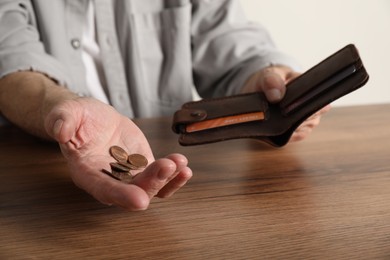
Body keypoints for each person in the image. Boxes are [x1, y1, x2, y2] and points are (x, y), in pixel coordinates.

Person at [0, 0, 329, 211]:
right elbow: (8, 59)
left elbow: (230, 42)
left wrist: (266, 82)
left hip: (180, 196)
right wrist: (58, 105)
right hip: (34, 191)